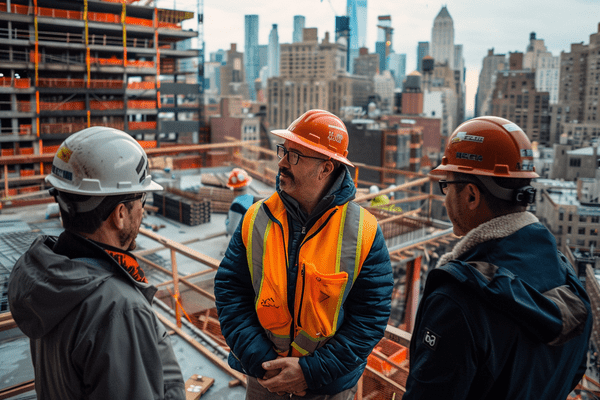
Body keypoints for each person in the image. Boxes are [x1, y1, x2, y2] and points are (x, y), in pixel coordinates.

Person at [404, 116, 592, 399]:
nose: (444, 198)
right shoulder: (567, 281)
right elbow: (573, 372)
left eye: (447, 186)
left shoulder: (458, 301)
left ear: (470, 195)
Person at [214, 109, 393, 399]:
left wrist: (310, 372)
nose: (282, 162)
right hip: (265, 379)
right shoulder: (255, 219)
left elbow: (369, 318)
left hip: (325, 385)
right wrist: (264, 364)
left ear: (326, 167)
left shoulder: (364, 233)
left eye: (295, 155)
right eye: (284, 151)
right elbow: (230, 292)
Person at [8, 127, 186, 400]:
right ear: (120, 214)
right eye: (141, 199)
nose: (143, 210)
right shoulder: (119, 309)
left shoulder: (48, 280)